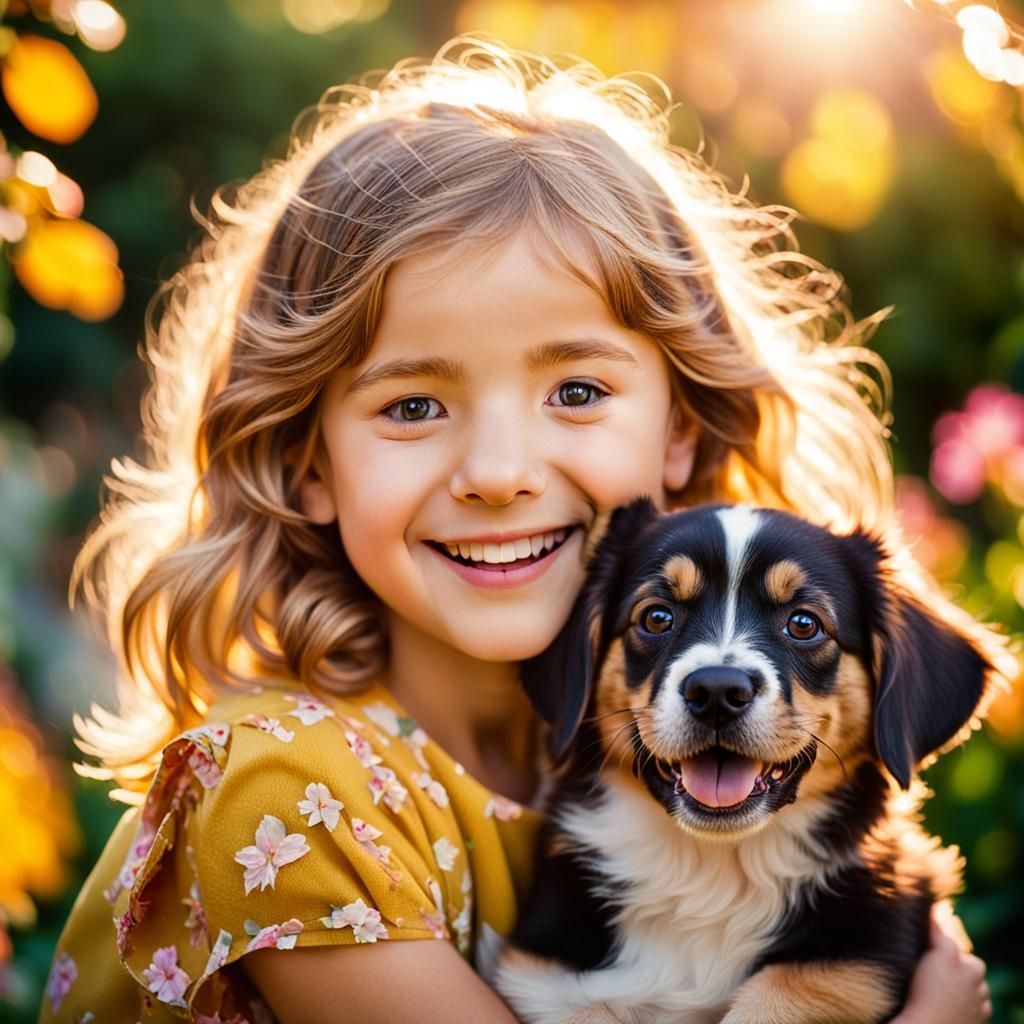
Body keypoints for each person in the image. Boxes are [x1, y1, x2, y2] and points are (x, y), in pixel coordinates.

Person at [41, 36, 996, 1024]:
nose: (498, 474)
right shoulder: (284, 785)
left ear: (679, 425)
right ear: (305, 463)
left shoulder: (589, 764)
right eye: (412, 406)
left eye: (575, 390)